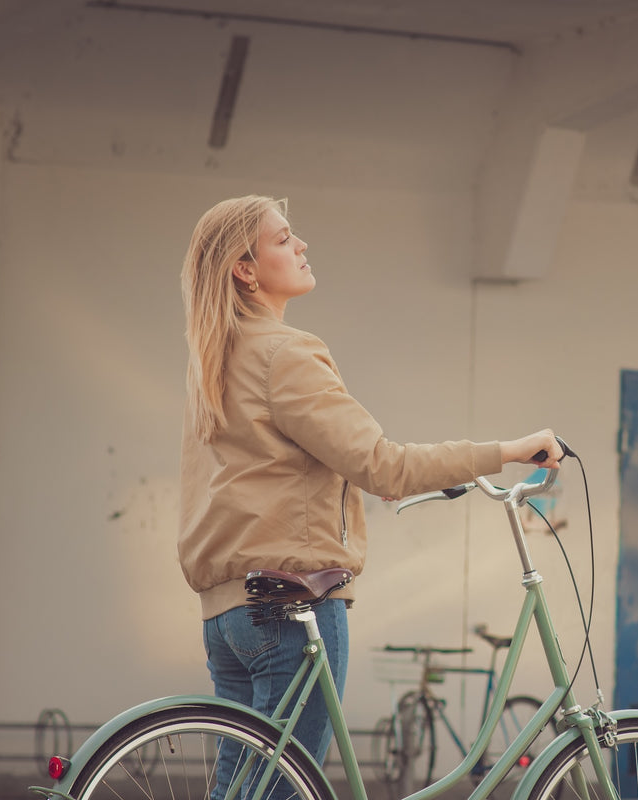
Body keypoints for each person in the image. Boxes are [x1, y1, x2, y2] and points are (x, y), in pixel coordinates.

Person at [178, 195, 562, 796]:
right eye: (283, 239)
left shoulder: (214, 361)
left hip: (227, 611)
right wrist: (510, 449)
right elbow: (385, 466)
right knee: (285, 788)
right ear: (245, 269)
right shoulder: (285, 353)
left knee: (240, 785)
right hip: (289, 606)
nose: (302, 246)